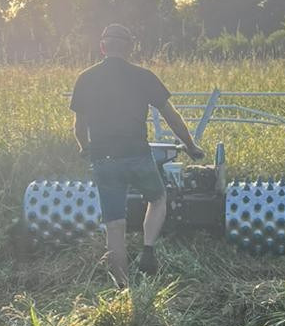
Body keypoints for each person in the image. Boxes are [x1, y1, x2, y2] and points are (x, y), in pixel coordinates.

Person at [69, 23, 204, 287]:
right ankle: (148, 248)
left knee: (115, 226)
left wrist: (85, 148)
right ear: (129, 48)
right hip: (138, 155)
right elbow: (172, 117)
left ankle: (123, 291)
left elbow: (79, 127)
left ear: (102, 47)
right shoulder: (143, 76)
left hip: (104, 160)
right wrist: (190, 145)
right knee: (158, 198)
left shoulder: (85, 78)